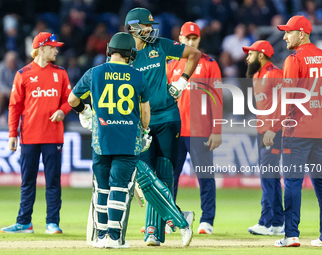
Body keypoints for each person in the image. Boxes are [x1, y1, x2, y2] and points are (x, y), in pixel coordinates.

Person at [124, 8, 201, 246]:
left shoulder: (160, 44)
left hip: (168, 117)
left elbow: (194, 54)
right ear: (132, 28)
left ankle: (152, 233)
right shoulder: (123, 55)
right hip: (141, 124)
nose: (149, 30)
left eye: (150, 25)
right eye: (145, 26)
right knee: (147, 178)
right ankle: (179, 215)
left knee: (164, 175)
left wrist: (181, 81)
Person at [68, 32, 151, 249]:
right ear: (129, 54)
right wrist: (145, 129)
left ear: (110, 51)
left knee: (102, 188)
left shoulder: (94, 73)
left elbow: (72, 99)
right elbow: (145, 113)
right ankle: (114, 238)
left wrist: (85, 111)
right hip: (127, 141)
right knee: (120, 189)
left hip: (101, 139)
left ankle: (101, 236)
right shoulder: (138, 76)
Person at [263, 15, 322, 247]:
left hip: (297, 132)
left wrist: (273, 127)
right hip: (321, 132)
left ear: (303, 33)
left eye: (289, 32)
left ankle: (292, 235)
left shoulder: (294, 59)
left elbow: (288, 98)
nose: (285, 36)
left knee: (293, 181)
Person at [1, 32, 72, 234]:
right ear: (41, 48)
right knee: (28, 182)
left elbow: (70, 99)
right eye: (53, 47)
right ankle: (24, 223)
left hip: (53, 136)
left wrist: (63, 110)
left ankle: (52, 223)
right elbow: (14, 107)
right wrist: (12, 135)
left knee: (53, 182)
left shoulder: (61, 73)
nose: (56, 50)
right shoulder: (22, 74)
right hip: (29, 136)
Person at [167, 21, 222, 235]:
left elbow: (217, 100)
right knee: (170, 177)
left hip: (201, 131)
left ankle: (207, 220)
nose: (190, 41)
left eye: (194, 38)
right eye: (187, 38)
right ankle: (170, 218)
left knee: (205, 177)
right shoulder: (171, 64)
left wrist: (217, 130)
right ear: (180, 39)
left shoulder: (209, 64)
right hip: (174, 131)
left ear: (199, 40)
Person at [242, 40, 284, 236]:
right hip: (264, 132)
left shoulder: (274, 74)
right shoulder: (257, 75)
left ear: (261, 54)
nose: (247, 58)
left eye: (250, 54)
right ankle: (277, 223)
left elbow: (285, 104)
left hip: (272, 133)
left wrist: (273, 130)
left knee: (268, 177)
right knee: (272, 178)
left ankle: (265, 222)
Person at [0, 51, 23, 123]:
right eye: (11, 61)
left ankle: (23, 118)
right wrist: (7, 91)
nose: (13, 62)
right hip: (5, 92)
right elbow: (0, 83)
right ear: (6, 61)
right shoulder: (1, 68)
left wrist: (14, 91)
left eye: (15, 60)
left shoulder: (21, 67)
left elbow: (23, 81)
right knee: (1, 95)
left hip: (16, 91)